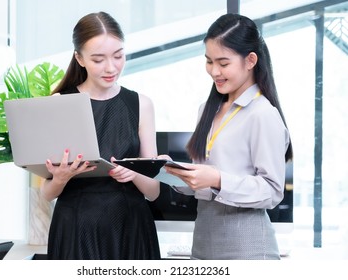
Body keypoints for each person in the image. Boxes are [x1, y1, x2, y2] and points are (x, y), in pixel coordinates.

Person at [164, 13, 293, 260]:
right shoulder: (207, 109)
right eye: (209, 62)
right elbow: (205, 186)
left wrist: (218, 179)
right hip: (203, 244)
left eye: (223, 63)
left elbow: (272, 191)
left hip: (247, 249)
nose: (214, 71)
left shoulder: (262, 114)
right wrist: (175, 172)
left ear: (250, 60)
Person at [40, 12, 161, 260]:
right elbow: (47, 193)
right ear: (79, 59)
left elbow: (154, 191)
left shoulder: (141, 104)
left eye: (118, 56)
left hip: (130, 227)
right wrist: (60, 178)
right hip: (75, 228)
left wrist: (134, 173)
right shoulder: (59, 104)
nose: (111, 67)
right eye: (98, 59)